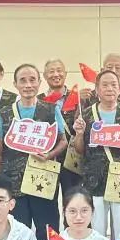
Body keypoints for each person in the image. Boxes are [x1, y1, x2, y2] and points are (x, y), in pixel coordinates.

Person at [0, 64, 68, 240]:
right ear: (15, 84)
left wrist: (49, 155)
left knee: (48, 230)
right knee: (18, 231)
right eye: (23, 81)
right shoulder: (5, 113)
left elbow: (64, 141)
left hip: (43, 179)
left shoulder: (51, 110)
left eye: (32, 80)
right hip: (14, 181)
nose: (28, 85)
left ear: (39, 82)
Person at [72, 69, 120, 240]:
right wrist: (79, 134)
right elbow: (79, 149)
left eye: (113, 85)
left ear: (119, 90)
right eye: (104, 85)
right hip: (94, 178)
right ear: (97, 90)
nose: (109, 88)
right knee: (97, 229)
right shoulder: (86, 114)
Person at [40, 58, 81, 195]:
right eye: (51, 71)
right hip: (46, 159)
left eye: (59, 71)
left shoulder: (78, 98)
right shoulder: (38, 100)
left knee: (72, 199)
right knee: (47, 200)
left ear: (66, 73)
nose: (56, 74)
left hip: (72, 159)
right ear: (45, 76)